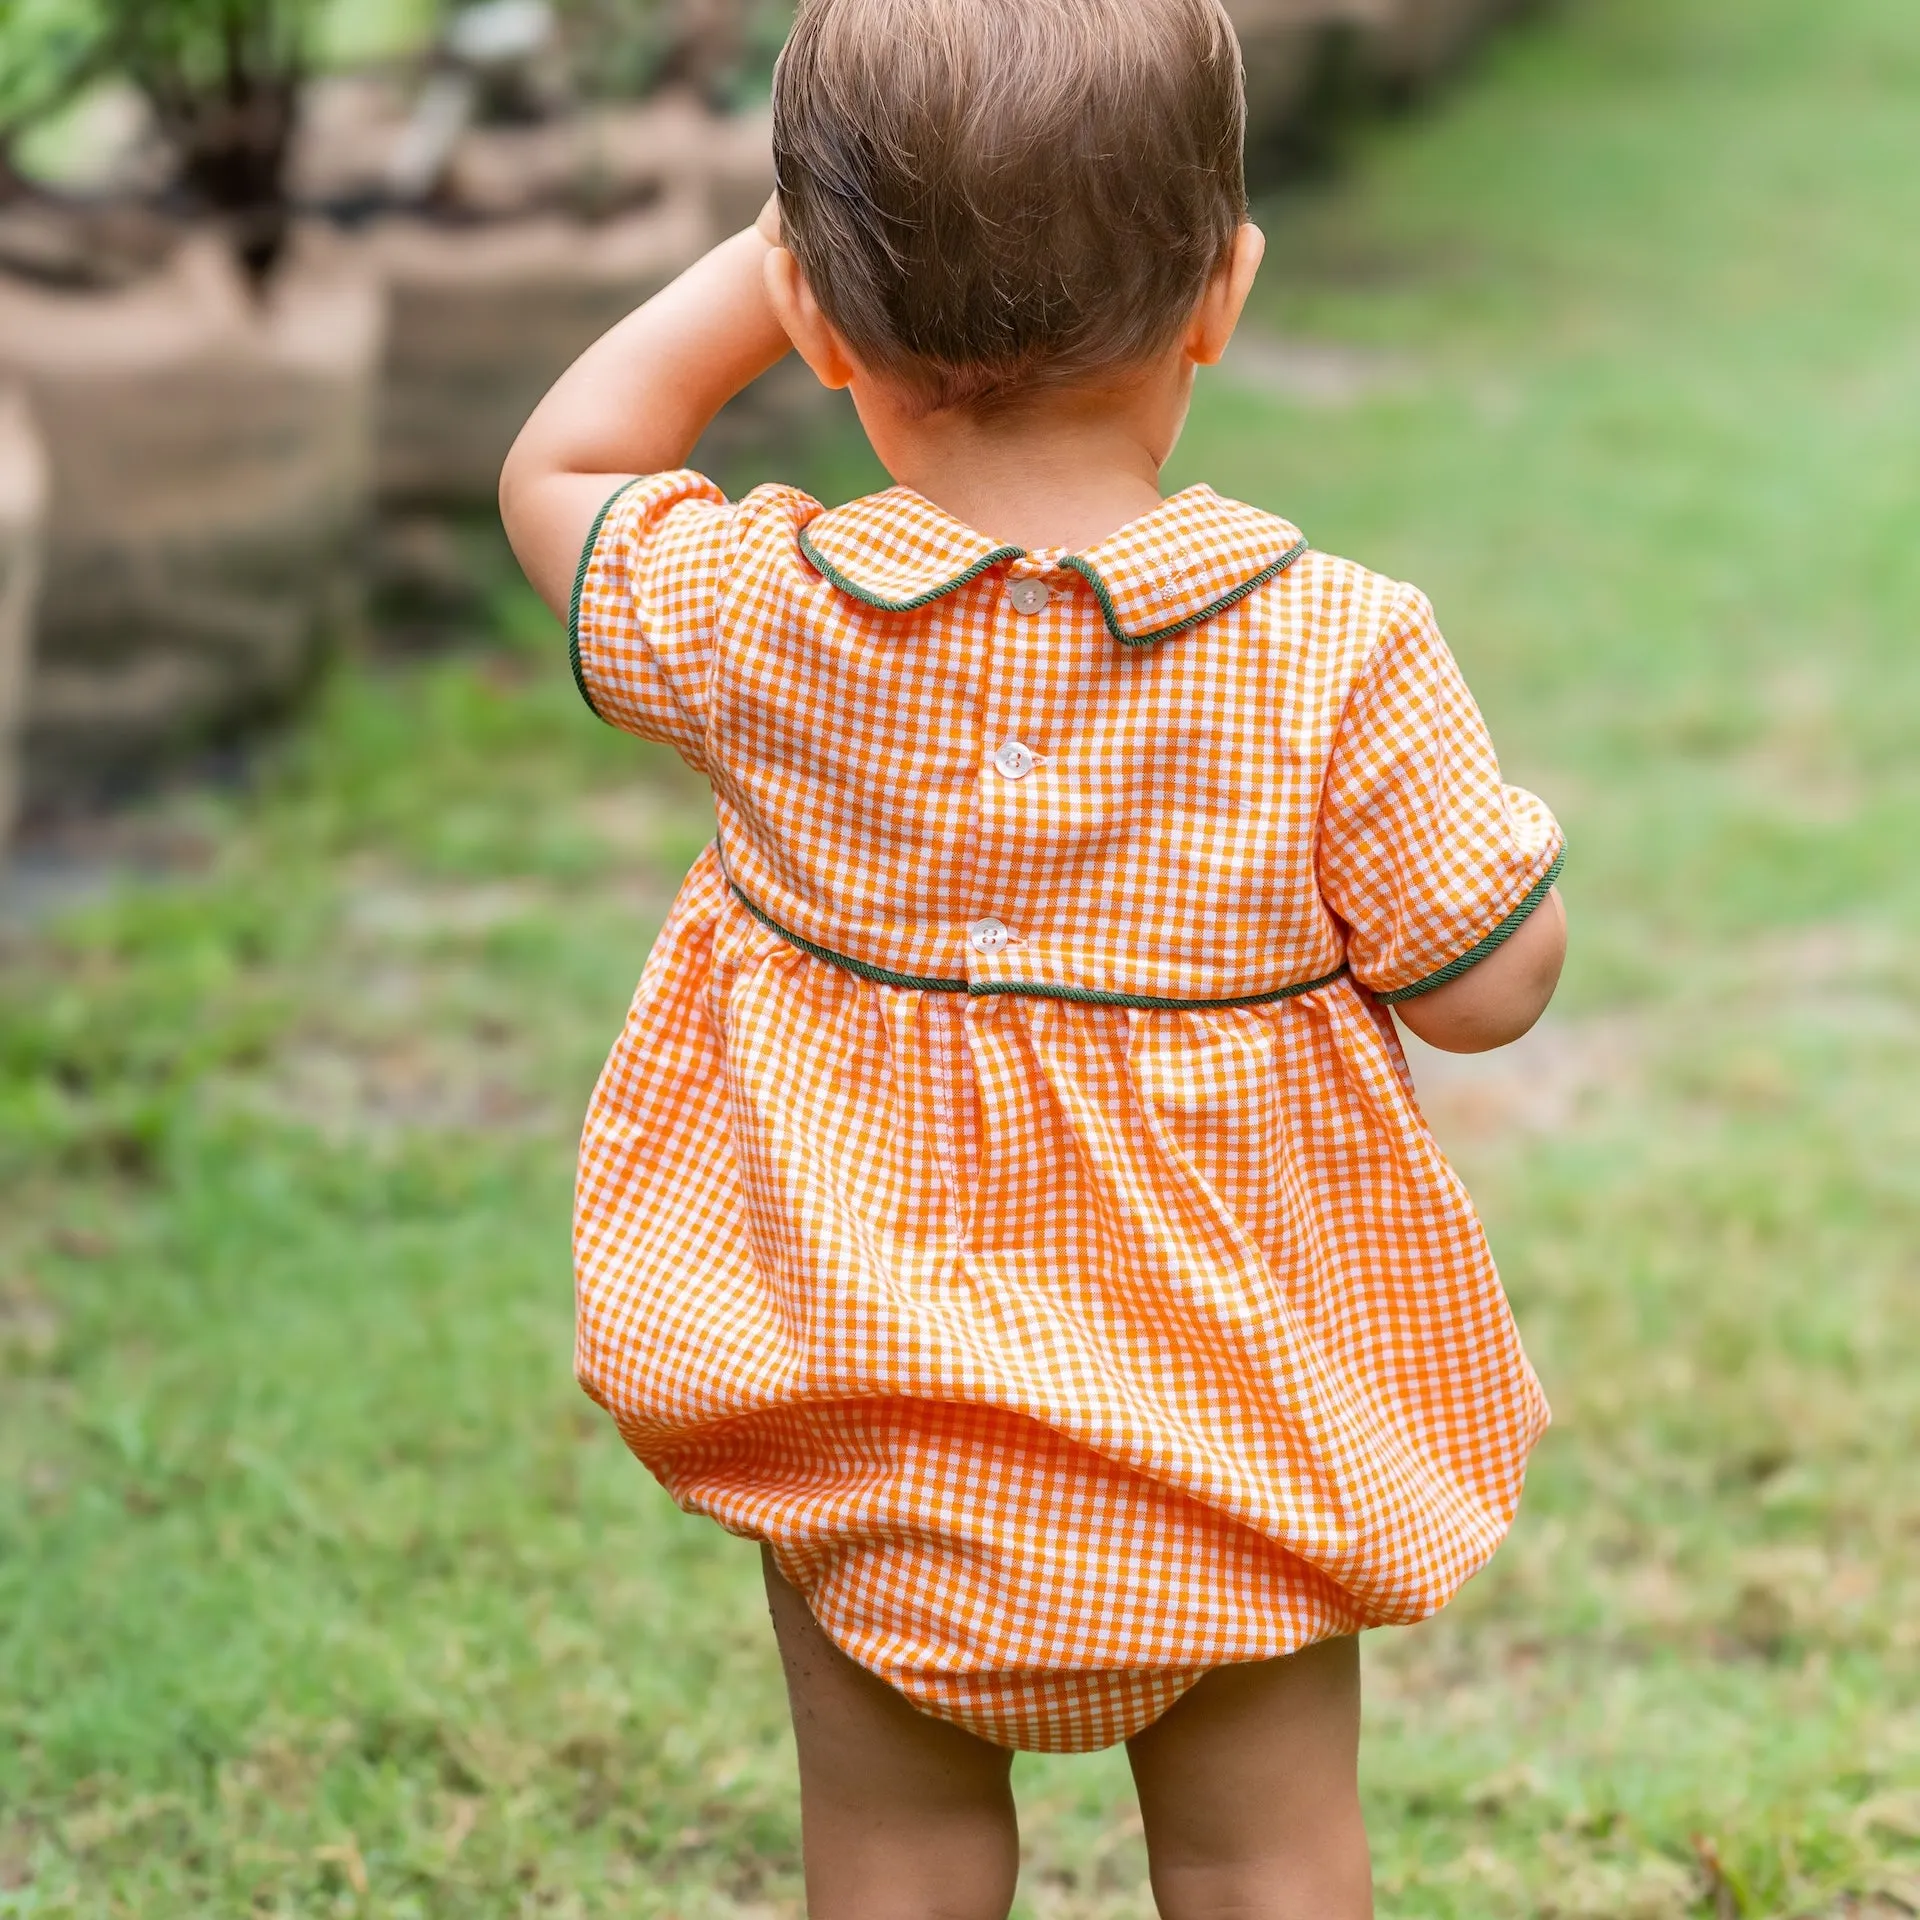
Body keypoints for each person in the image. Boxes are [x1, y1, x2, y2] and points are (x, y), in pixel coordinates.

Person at [499, 0, 1566, 1911]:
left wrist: (771, 271)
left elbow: (564, 465)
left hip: (871, 1417)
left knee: (896, 1845)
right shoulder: (1337, 654)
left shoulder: (766, 620)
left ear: (819, 317)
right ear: (1220, 296)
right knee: (1269, 1864)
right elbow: (1487, 990)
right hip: (1221, 1433)